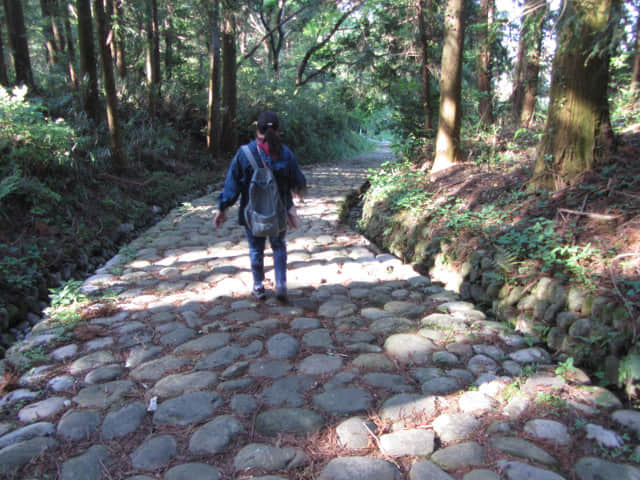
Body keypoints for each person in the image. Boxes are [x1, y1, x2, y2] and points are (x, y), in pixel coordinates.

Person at [214, 111, 306, 302]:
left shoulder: (244, 153)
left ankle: (258, 286)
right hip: (278, 211)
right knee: (278, 246)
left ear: (257, 130)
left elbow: (232, 185)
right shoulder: (285, 153)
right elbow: (298, 180)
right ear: (279, 130)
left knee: (256, 249)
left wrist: (223, 208)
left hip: (252, 212)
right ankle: (281, 284)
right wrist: (294, 197)